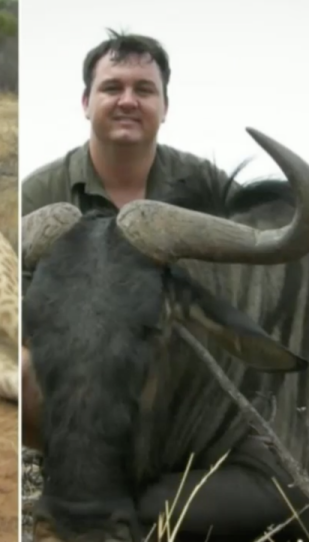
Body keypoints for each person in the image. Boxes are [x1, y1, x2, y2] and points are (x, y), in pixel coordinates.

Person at [20, 30, 237, 451]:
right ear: (86, 104)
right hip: (76, 375)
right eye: (111, 87)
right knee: (24, 370)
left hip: (184, 371)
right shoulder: (39, 192)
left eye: (144, 90)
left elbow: (241, 289)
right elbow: (14, 302)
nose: (127, 101)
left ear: (164, 107)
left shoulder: (208, 185)